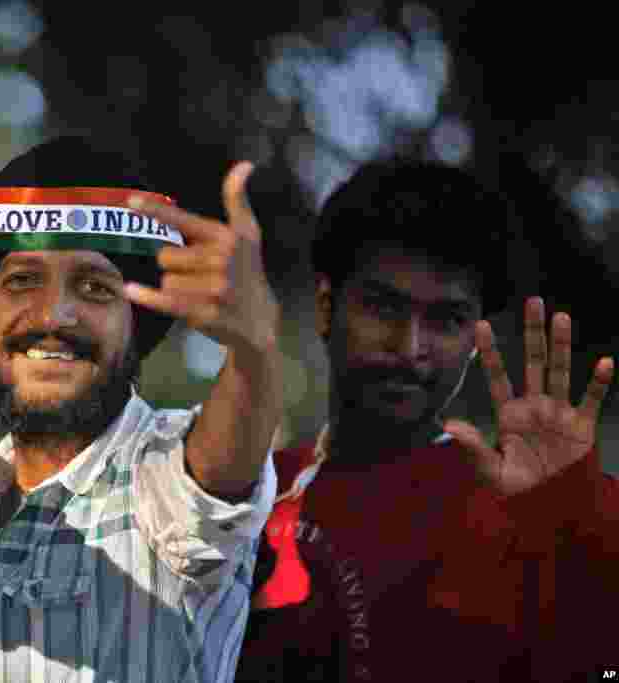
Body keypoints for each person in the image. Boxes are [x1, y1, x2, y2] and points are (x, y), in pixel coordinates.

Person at [235, 159, 617, 682]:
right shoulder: (245, 492)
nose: (410, 348)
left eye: (446, 320)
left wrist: (580, 518)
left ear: (474, 338)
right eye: (383, 308)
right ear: (327, 307)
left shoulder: (535, 500)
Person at [0, 136, 283, 683]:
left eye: (95, 287)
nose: (54, 313)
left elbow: (218, 474)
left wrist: (254, 349)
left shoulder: (163, 480)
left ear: (136, 327)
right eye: (22, 280)